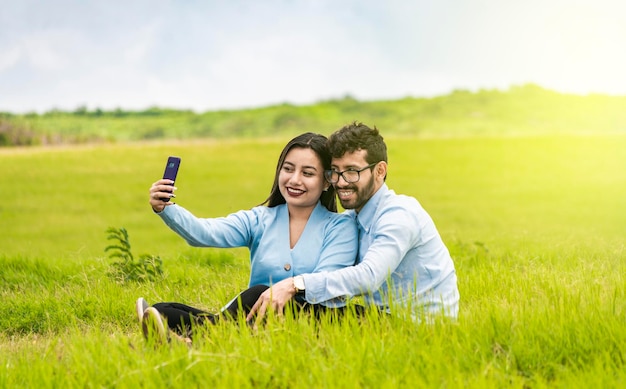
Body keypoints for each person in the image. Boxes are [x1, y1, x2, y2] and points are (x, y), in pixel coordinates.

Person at [138, 132, 358, 342]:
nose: (294, 179)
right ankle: (194, 337)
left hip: (309, 319)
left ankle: (194, 340)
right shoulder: (259, 219)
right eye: (288, 169)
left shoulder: (340, 226)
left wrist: (287, 289)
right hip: (258, 316)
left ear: (328, 181)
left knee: (259, 293)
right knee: (163, 310)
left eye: (307, 173)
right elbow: (206, 232)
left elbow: (328, 280)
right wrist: (165, 208)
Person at [248, 122, 460, 323]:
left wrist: (296, 284)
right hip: (381, 318)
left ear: (380, 171)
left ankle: (217, 327)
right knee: (271, 298)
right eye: (336, 171)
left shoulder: (399, 214)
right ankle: (219, 326)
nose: (340, 182)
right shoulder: (352, 218)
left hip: (416, 326)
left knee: (283, 301)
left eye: (351, 171)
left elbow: (369, 276)